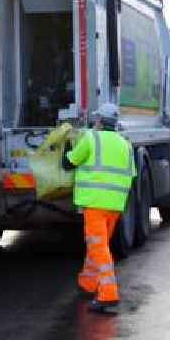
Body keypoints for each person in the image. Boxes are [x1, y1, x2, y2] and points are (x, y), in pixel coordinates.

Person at [63, 103, 136, 313]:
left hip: (94, 203)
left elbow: (69, 163)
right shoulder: (125, 144)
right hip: (114, 205)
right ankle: (88, 282)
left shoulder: (91, 138)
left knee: (99, 248)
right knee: (98, 245)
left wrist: (67, 146)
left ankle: (108, 293)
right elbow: (131, 174)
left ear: (100, 121)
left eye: (96, 119)